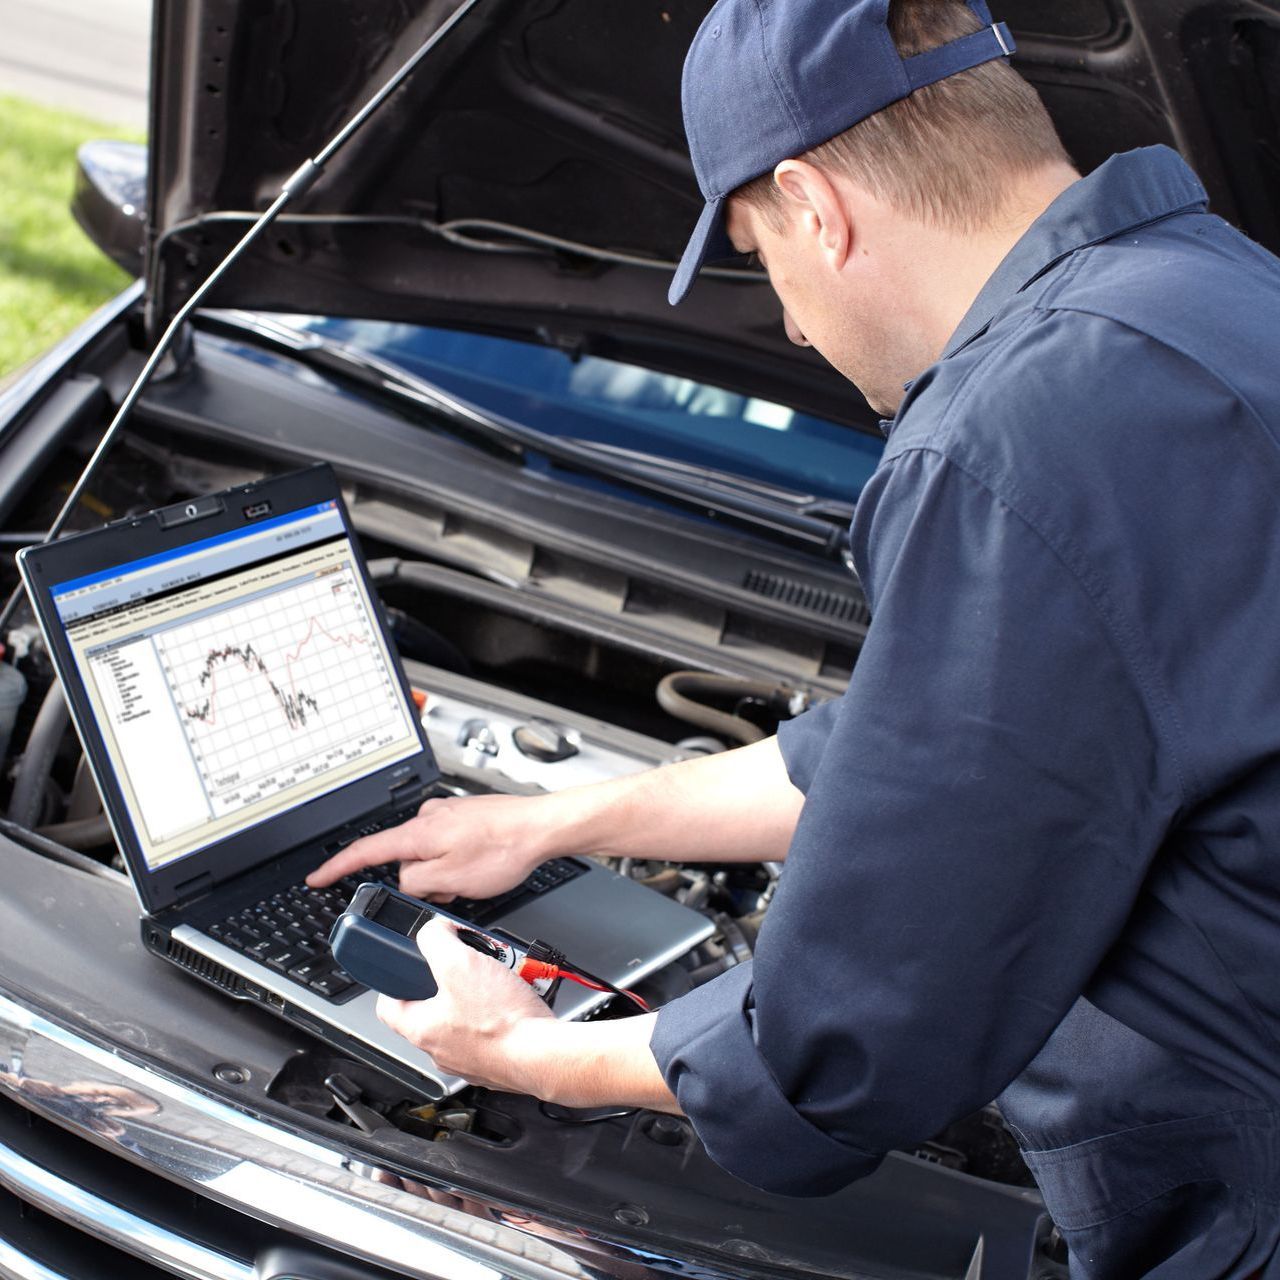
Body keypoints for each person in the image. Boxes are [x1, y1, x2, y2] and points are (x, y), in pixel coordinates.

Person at [309, 0, 1280, 1272]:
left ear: (815, 207)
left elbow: (856, 1030)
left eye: (764, 260)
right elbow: (926, 752)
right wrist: (553, 819)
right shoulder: (1210, 296)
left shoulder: (1019, 436)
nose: (787, 326)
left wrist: (531, 1053)